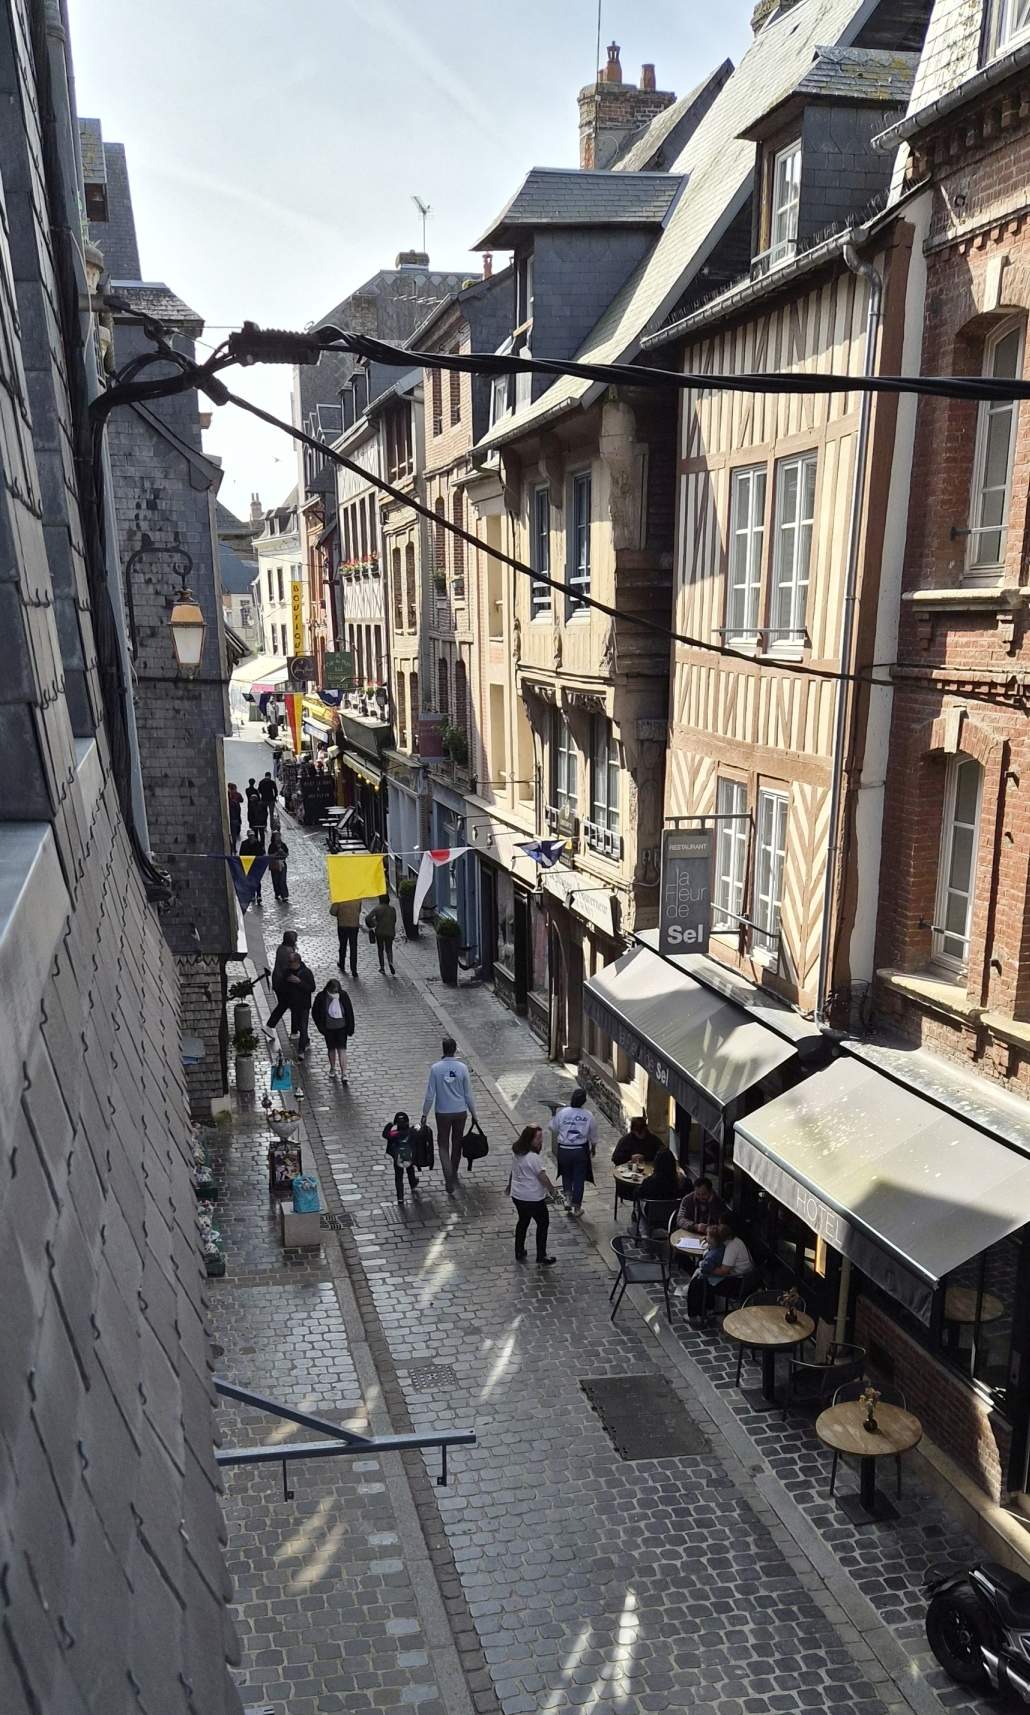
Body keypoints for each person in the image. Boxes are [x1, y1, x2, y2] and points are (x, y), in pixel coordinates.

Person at [421, 1037, 477, 1192]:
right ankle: (454, 1173)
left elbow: (430, 1095)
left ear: (443, 1049)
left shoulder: (436, 1068)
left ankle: (448, 1175)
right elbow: (468, 1095)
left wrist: (424, 1114)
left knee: (443, 1145)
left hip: (443, 1113)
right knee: (457, 1143)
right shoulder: (462, 1068)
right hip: (460, 1112)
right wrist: (474, 1113)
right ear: (455, 1049)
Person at [508, 1125, 556, 1266]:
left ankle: (519, 1250)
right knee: (543, 1223)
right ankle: (541, 1255)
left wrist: (509, 1185)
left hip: (518, 1195)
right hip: (532, 1197)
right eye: (538, 1138)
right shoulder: (533, 1158)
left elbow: (513, 1170)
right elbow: (542, 1177)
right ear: (529, 1139)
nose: (541, 1141)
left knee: (523, 1221)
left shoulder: (517, 1152)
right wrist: (552, 1190)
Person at [687, 1218, 754, 1319]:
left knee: (698, 1282)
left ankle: (695, 1314)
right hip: (744, 1278)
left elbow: (723, 1271)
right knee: (701, 1280)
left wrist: (706, 1269)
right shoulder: (737, 1241)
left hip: (738, 1283)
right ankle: (708, 1309)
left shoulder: (732, 1246)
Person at [549, 1088, 597, 1218]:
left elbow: (553, 1128)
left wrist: (553, 1114)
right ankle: (577, 1208)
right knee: (579, 1178)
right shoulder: (588, 1115)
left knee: (566, 1174)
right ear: (584, 1101)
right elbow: (593, 1135)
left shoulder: (563, 1113)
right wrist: (593, 1148)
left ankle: (567, 1200)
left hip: (564, 1149)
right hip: (580, 1150)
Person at [266, 951, 314, 1052]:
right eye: (288, 961)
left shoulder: (306, 972)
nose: (288, 963)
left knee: (303, 1026)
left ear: (297, 962)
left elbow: (311, 988)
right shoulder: (287, 972)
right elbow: (283, 986)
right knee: (299, 1025)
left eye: (290, 962)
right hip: (293, 1003)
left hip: (304, 1004)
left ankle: (301, 1050)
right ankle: (305, 1042)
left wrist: (299, 982)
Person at [312, 976, 354, 1079]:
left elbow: (349, 1011)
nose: (335, 993)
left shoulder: (343, 995)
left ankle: (344, 1073)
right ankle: (332, 1068)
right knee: (331, 1049)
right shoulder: (321, 997)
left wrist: (350, 1027)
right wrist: (321, 1027)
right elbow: (315, 1012)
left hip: (342, 1028)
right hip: (328, 1028)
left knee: (342, 1049)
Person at [382, 1111, 421, 1202]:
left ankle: (400, 1197)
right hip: (410, 1157)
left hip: (398, 1158)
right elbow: (419, 1128)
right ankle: (413, 1183)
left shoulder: (394, 1134)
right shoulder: (412, 1132)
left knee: (398, 1177)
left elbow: (385, 1134)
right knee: (410, 1170)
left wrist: (391, 1124)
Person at [366, 893, 397, 975]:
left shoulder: (377, 908)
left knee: (380, 949)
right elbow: (395, 920)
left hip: (380, 932)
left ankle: (382, 968)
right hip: (390, 931)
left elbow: (368, 918)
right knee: (389, 949)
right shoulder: (392, 909)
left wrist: (373, 924)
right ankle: (390, 962)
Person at [331, 896, 362, 977]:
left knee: (343, 945)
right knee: (353, 947)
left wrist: (340, 913)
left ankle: (342, 963)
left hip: (342, 925)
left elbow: (332, 912)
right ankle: (354, 970)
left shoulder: (340, 897)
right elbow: (359, 910)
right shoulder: (358, 898)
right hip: (354, 925)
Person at [237, 829, 265, 906]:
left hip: (256, 865)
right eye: (250, 836)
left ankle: (259, 895)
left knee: (257, 881)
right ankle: (252, 894)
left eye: (252, 836)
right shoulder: (244, 844)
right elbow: (241, 854)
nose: (251, 837)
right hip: (248, 864)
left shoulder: (258, 844)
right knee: (250, 880)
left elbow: (262, 853)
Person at [267, 833, 290, 901]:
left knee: (282, 880)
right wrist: (277, 852)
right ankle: (277, 893)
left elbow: (286, 854)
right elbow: (270, 855)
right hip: (274, 864)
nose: (278, 837)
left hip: (282, 864)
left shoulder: (283, 845)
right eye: (277, 836)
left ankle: (284, 895)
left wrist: (282, 851)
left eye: (279, 836)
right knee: (276, 880)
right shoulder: (271, 846)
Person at [227, 782, 243, 854]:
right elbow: (241, 800)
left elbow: (241, 800)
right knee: (233, 834)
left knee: (233, 834)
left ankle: (233, 847)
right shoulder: (235, 795)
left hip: (232, 817)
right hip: (234, 818)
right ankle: (233, 847)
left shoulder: (228, 795)